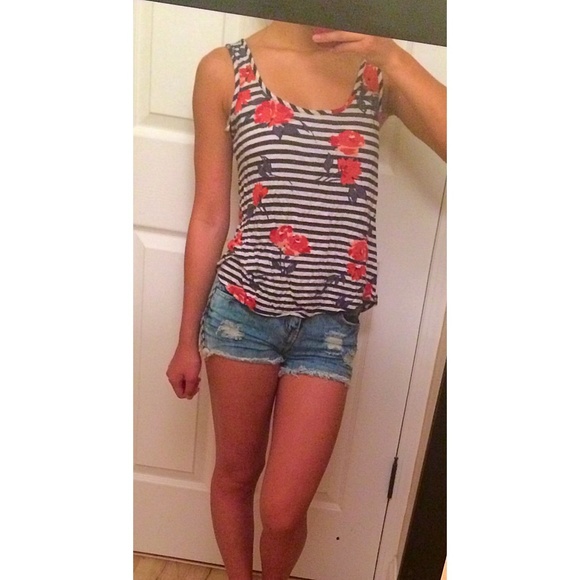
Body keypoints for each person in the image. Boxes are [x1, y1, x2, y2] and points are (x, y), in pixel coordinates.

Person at [166, 20, 446, 580]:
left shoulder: (377, 70)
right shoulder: (225, 69)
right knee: (236, 476)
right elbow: (210, 215)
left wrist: (393, 55)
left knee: (284, 509)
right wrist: (185, 339)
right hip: (240, 314)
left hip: (327, 328)